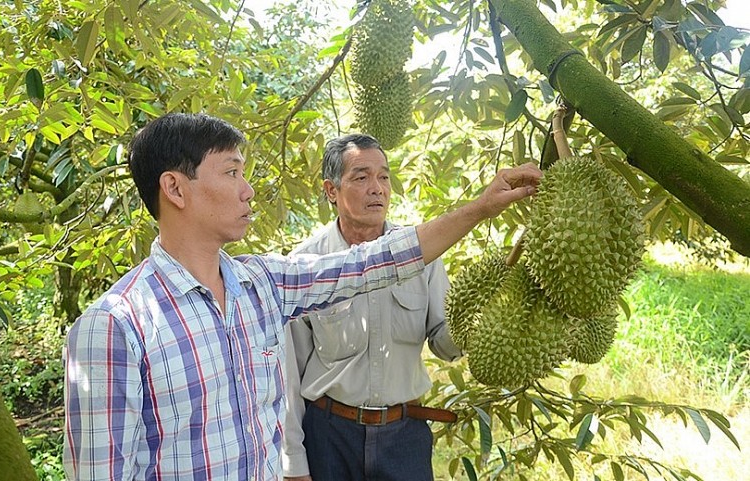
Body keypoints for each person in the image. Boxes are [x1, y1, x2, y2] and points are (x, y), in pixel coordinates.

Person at [62, 113, 541, 481]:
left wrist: (481, 207)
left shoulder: (261, 286)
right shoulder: (115, 326)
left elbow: (373, 263)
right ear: (175, 188)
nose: (249, 191)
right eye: (232, 173)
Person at [282, 134, 460, 481]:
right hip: (330, 434)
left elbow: (443, 340)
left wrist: (476, 324)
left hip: (403, 434)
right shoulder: (306, 263)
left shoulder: (422, 256)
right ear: (331, 191)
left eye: (383, 176)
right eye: (361, 177)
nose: (377, 188)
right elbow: (289, 374)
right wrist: (294, 462)